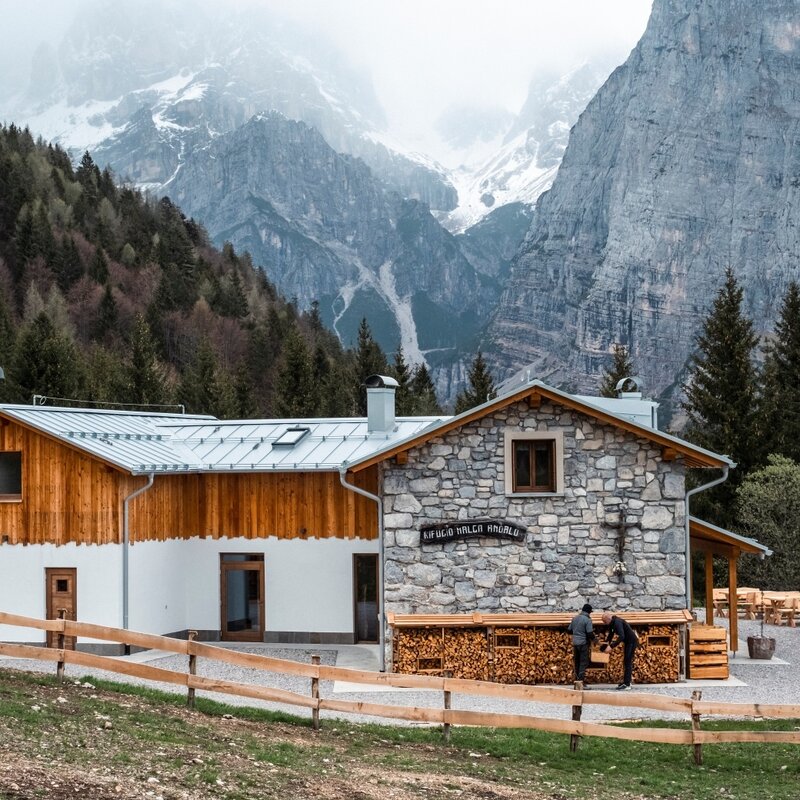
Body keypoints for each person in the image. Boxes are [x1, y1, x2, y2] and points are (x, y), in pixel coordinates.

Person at [600, 611, 639, 690]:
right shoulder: (612, 624)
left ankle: (627, 684)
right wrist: (604, 646)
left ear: (608, 619)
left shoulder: (618, 622)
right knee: (626, 661)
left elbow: (622, 636)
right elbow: (610, 635)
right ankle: (626, 681)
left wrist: (611, 646)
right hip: (628, 642)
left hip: (632, 642)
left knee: (627, 661)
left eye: (604, 622)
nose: (604, 623)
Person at [567, 603, 595, 683]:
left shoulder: (575, 618)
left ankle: (576, 681)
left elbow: (569, 630)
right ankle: (581, 681)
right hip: (583, 643)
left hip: (575, 643)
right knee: (583, 662)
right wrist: (596, 641)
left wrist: (577, 632)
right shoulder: (587, 620)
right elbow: (590, 633)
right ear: (589, 612)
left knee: (577, 662)